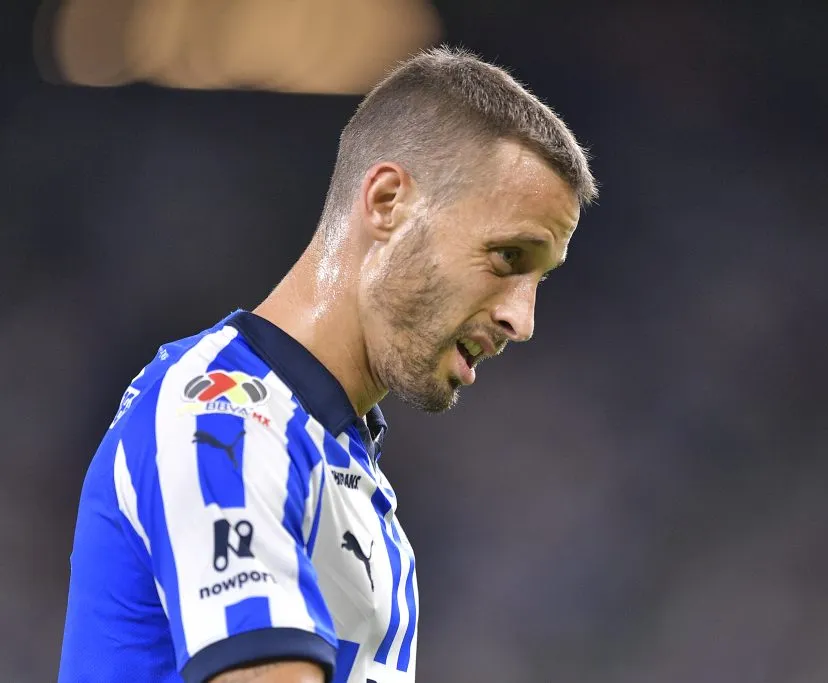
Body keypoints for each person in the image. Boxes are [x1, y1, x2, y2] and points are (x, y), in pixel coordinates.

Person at [57, 46, 597, 683]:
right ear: (388, 201)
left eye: (540, 279)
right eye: (508, 257)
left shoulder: (340, 469)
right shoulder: (224, 420)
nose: (522, 320)